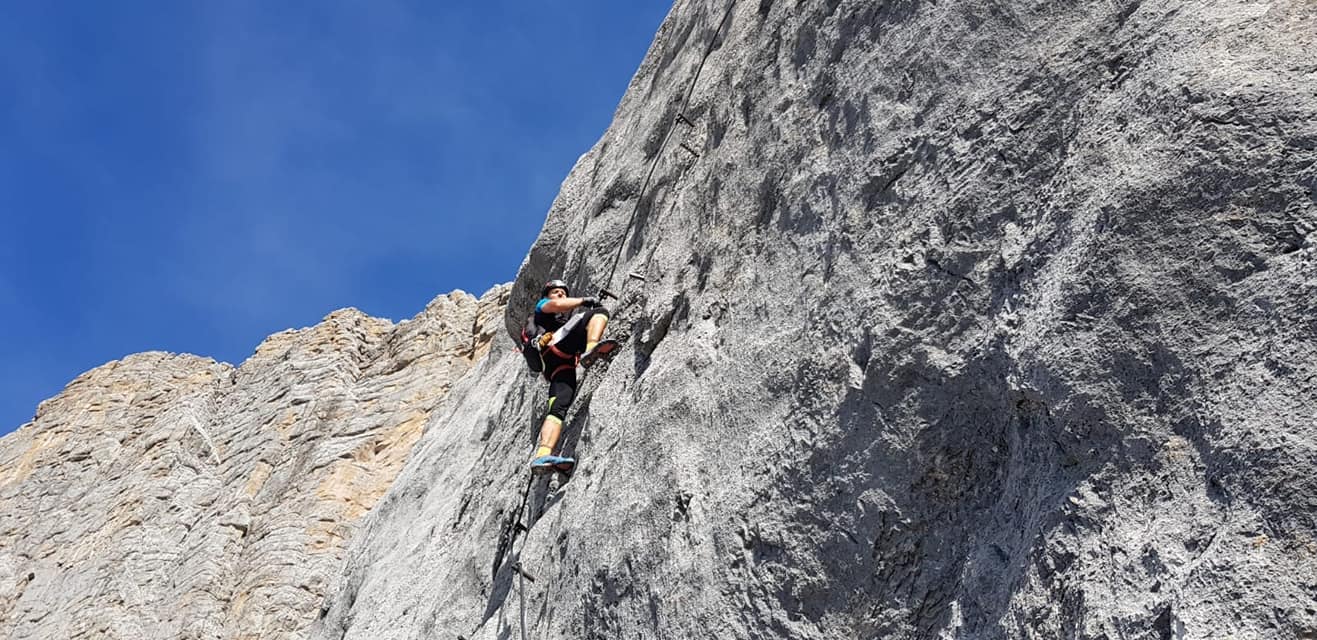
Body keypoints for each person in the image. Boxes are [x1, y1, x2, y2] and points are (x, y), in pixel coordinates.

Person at [528, 278, 618, 474]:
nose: (560, 294)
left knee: (558, 407)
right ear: (547, 296)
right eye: (556, 292)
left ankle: (542, 455)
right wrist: (585, 301)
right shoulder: (542, 306)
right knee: (599, 313)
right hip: (557, 347)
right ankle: (592, 347)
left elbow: (569, 321)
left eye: (563, 292)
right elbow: (556, 305)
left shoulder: (559, 321)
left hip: (559, 366)